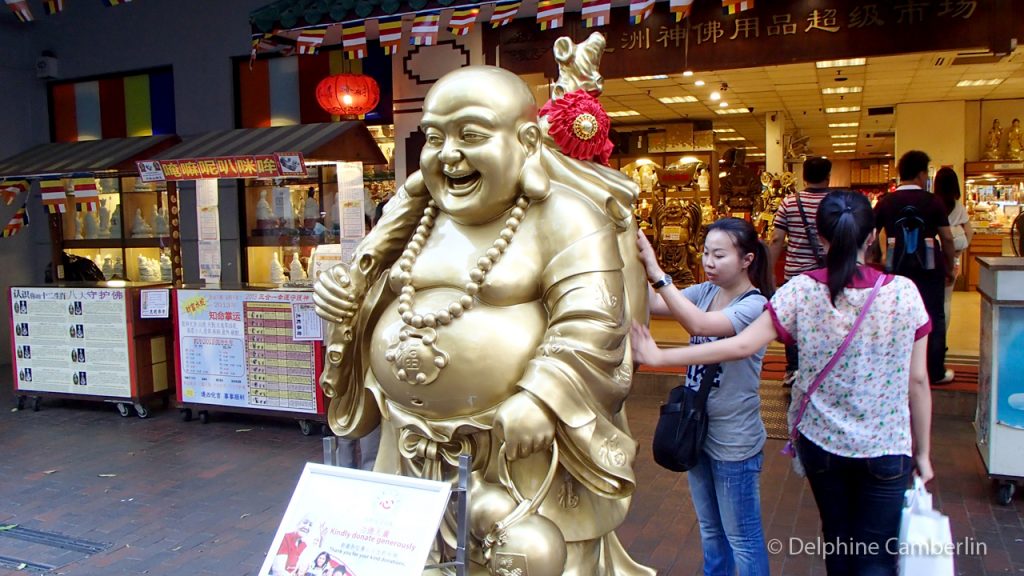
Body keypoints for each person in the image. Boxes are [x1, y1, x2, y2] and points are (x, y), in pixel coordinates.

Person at [313, 45, 654, 574]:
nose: (449, 155)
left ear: (527, 141)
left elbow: (594, 318)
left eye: (470, 135)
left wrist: (543, 395)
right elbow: (374, 282)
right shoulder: (417, 214)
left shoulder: (565, 217)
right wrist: (346, 301)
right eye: (433, 137)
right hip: (412, 443)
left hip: (521, 450)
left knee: (534, 559)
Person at [633, 190, 934, 576]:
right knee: (877, 555)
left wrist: (660, 355)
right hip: (887, 444)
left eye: (719, 254)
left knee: (839, 543)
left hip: (822, 443)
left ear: (820, 238)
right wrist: (923, 454)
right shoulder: (904, 292)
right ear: (873, 236)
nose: (710, 261)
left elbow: (740, 344)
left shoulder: (800, 290)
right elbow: (919, 379)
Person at [637, 217, 773, 576]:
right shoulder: (706, 292)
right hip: (697, 428)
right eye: (706, 253)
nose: (709, 262)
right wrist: (626, 258)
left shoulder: (754, 305)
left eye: (720, 255)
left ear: (746, 259)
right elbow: (656, 303)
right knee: (711, 531)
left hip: (733, 438)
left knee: (742, 537)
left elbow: (700, 325)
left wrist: (656, 269)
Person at [871, 150, 956, 384]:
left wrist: (875, 257)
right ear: (921, 174)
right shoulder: (933, 201)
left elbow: (869, 234)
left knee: (894, 316)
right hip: (929, 268)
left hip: (895, 268)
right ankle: (934, 371)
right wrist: (950, 266)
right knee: (933, 316)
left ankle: (894, 369)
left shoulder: (886, 202)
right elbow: (947, 238)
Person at [768, 156, 832, 386]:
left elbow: (776, 239)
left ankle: (793, 370)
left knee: (794, 322)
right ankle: (823, 367)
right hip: (828, 275)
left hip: (795, 275)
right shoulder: (835, 201)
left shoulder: (789, 202)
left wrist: (768, 273)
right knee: (825, 320)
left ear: (803, 176)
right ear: (828, 176)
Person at [933, 167, 974, 333]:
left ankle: (932, 336)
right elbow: (969, 232)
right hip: (953, 259)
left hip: (934, 258)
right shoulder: (959, 207)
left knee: (932, 299)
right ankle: (943, 336)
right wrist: (958, 251)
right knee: (947, 300)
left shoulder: (933, 204)